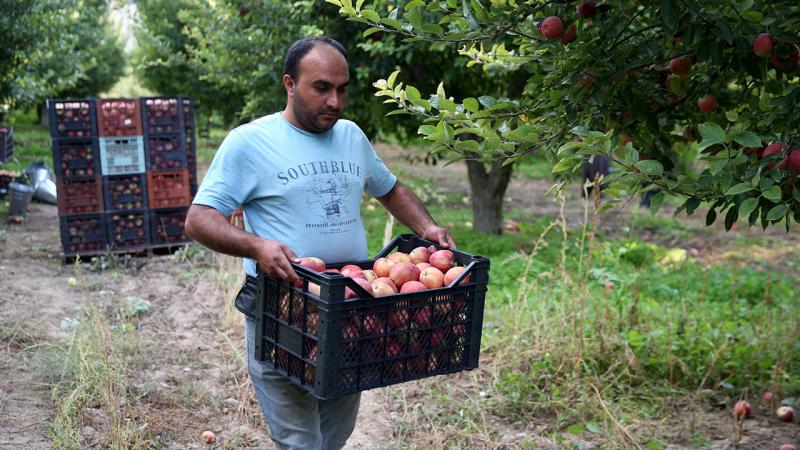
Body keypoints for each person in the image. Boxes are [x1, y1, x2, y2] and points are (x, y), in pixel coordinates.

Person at [184, 36, 455, 450]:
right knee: (299, 439)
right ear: (290, 84)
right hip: (286, 307)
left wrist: (427, 228)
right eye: (322, 87)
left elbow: (390, 189)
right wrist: (257, 246)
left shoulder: (350, 136)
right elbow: (199, 219)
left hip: (352, 303)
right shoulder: (249, 142)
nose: (335, 101)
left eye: (342, 89)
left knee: (335, 433)